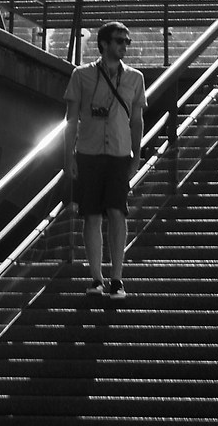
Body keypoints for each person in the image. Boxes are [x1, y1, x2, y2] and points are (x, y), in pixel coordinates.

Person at [62, 21, 146, 299]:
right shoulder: (81, 75)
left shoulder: (135, 78)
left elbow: (137, 120)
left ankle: (117, 278)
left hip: (119, 153)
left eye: (127, 41)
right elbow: (71, 119)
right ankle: (96, 278)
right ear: (104, 44)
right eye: (119, 40)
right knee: (92, 215)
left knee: (117, 212)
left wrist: (137, 154)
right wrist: (68, 157)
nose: (124, 45)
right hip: (88, 152)